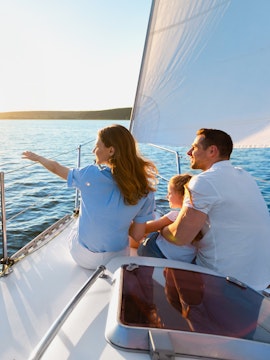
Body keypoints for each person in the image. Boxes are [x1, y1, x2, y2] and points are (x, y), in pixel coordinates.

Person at [22, 124, 158, 269]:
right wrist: (119, 221)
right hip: (118, 259)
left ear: (111, 150)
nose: (93, 150)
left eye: (97, 146)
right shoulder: (145, 189)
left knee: (77, 220)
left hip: (85, 258)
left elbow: (56, 168)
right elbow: (137, 236)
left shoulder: (90, 175)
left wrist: (37, 158)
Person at [161, 128, 270, 291]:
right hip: (261, 278)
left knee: (150, 246)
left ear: (212, 151)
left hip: (223, 280)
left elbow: (180, 236)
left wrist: (160, 230)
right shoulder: (244, 175)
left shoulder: (203, 181)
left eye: (194, 147)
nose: (189, 152)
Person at [137, 174, 199, 263]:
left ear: (182, 196)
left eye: (169, 193)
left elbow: (145, 229)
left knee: (147, 233)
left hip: (154, 252)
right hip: (184, 260)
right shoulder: (201, 220)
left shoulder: (174, 216)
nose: (167, 196)